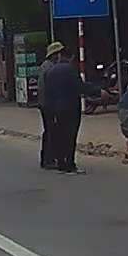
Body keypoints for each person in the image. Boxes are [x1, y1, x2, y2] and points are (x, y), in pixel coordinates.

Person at [40, 42, 95, 173]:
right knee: (65, 135)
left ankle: (58, 161)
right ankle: (63, 162)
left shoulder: (51, 68)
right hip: (62, 107)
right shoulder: (56, 68)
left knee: (56, 134)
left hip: (53, 106)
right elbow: (79, 87)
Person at [37, 42, 61, 170]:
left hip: (44, 103)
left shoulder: (46, 66)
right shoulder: (50, 68)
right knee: (51, 131)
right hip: (48, 104)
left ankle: (48, 158)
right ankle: (48, 159)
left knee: (49, 131)